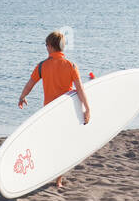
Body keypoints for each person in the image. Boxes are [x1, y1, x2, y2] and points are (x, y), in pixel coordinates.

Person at [18, 30, 90, 187]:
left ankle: (46, 173)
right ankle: (58, 180)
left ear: (50, 46)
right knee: (63, 144)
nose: (46, 48)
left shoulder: (42, 66)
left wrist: (22, 96)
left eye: (46, 45)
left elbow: (30, 84)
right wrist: (87, 109)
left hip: (49, 112)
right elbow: (80, 90)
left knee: (49, 144)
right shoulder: (71, 65)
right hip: (66, 112)